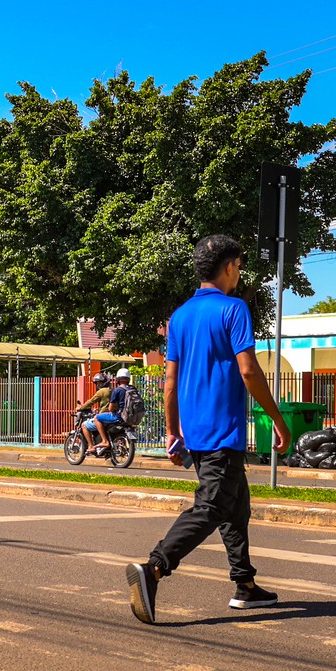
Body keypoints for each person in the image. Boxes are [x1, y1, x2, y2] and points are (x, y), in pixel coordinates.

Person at [125, 234, 294, 625]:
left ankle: (245, 586)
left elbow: (169, 381)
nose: (240, 273)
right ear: (230, 266)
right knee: (214, 506)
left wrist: (172, 432)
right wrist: (276, 418)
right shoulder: (234, 309)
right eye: (239, 266)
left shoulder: (180, 316)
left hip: (197, 434)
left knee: (236, 508)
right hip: (223, 431)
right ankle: (154, 568)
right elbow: (248, 369)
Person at [80, 372, 115, 456]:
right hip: (112, 416)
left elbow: (91, 402)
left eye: (99, 383)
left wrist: (80, 408)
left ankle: (91, 446)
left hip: (103, 417)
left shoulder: (102, 391)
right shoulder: (112, 390)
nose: (98, 385)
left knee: (84, 425)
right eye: (97, 383)